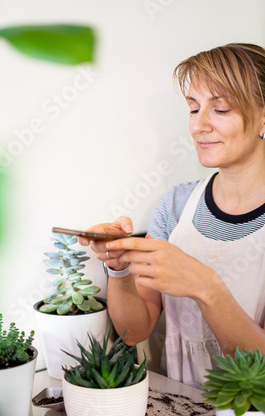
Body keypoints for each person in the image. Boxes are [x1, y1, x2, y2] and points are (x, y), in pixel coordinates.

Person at [78, 43, 265, 388]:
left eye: (220, 108)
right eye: (193, 109)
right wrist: (119, 269)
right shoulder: (177, 205)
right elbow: (135, 331)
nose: (197, 126)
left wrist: (207, 288)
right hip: (183, 414)